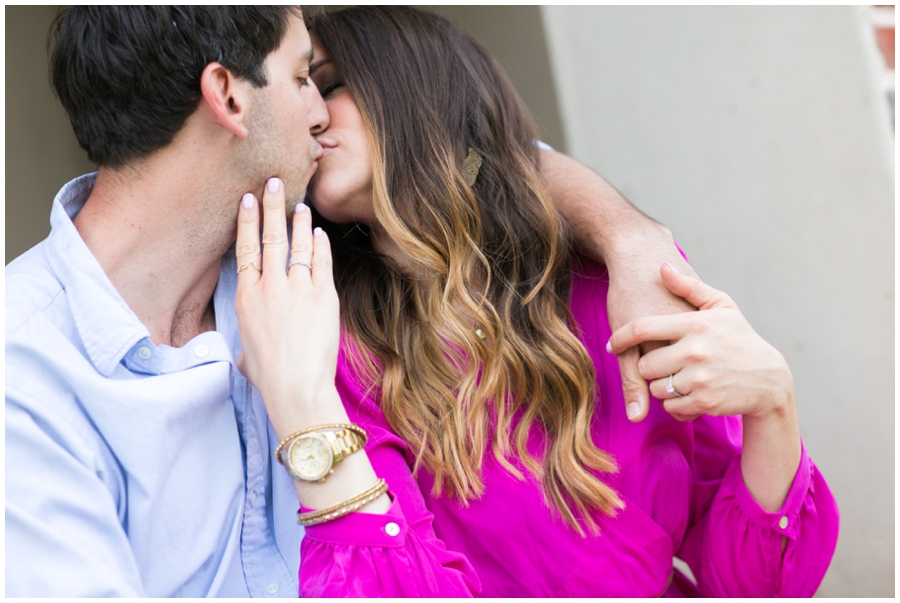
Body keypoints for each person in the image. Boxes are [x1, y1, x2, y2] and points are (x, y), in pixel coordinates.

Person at [6, 6, 711, 597]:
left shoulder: (302, 251)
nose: (322, 115)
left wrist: (633, 238)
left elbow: (469, 152)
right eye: (303, 77)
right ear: (228, 96)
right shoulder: (25, 372)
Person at [233, 7, 839, 597]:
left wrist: (774, 408)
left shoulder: (612, 287)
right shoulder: (333, 344)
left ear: (416, 85)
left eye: (331, 83)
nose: (310, 117)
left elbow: (754, 586)